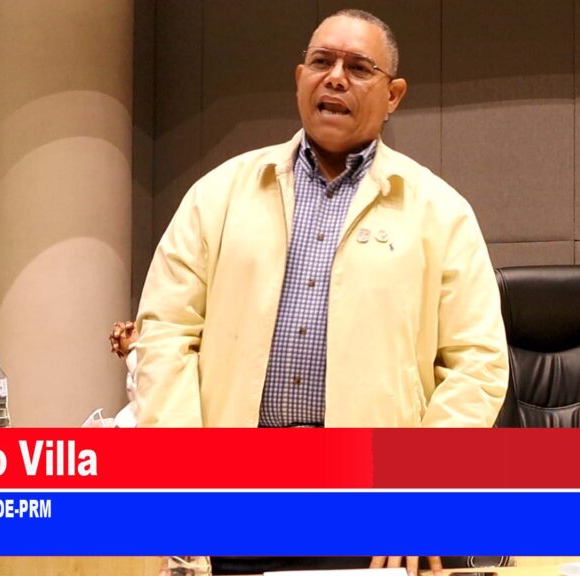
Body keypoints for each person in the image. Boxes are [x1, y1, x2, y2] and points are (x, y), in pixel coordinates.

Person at [136, 8, 509, 575]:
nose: (335, 78)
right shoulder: (219, 194)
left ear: (393, 95)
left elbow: (477, 364)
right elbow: (165, 331)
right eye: (321, 62)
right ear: (299, 79)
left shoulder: (440, 211)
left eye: (358, 68)